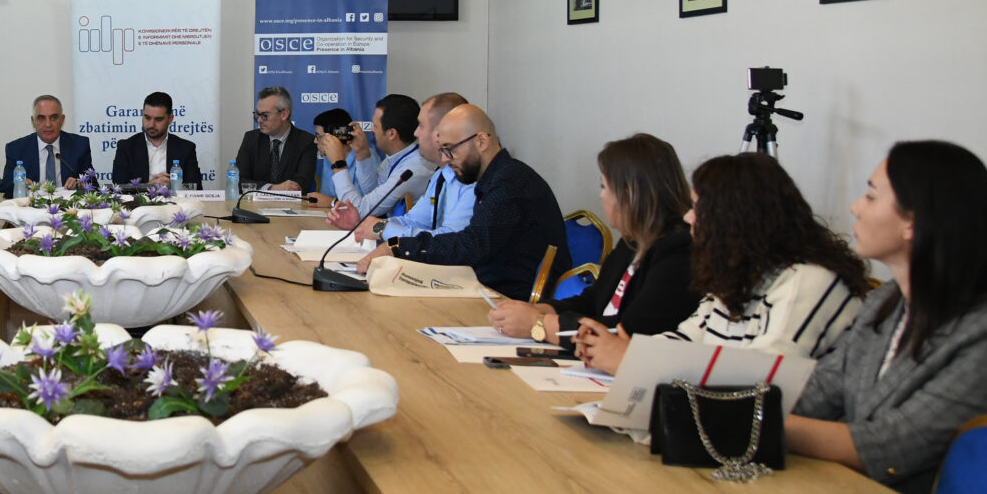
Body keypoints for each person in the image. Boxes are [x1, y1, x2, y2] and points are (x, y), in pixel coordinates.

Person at [786, 142, 987, 494]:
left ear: (913, 221)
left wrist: (754, 422)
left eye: (871, 197)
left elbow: (893, 446)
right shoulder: (884, 303)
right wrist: (724, 400)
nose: (855, 207)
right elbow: (818, 391)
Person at [575, 153, 870, 373]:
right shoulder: (737, 278)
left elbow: (763, 379)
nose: (688, 217)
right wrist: (618, 351)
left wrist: (632, 361)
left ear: (735, 220)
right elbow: (685, 339)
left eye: (698, 208)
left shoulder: (807, 281)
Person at [488, 134, 698, 348]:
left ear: (629, 194)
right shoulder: (633, 241)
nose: (601, 196)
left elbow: (630, 332)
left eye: (604, 186)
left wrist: (540, 324)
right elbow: (592, 301)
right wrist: (538, 310)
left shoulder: (678, 252)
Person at [355, 103, 569, 301]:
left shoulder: (510, 183)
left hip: (508, 301)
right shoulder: (495, 178)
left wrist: (398, 247)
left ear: (481, 142)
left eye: (450, 149)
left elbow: (471, 246)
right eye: (443, 151)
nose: (445, 159)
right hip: (486, 290)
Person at [342, 92, 475, 241]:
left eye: (421, 126)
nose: (416, 133)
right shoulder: (440, 175)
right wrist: (371, 226)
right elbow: (413, 221)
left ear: (442, 133)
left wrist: (338, 165)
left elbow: (447, 240)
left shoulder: (470, 182)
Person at [311, 94, 433, 220]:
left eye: (375, 126)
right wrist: (362, 153)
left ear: (391, 134)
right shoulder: (396, 157)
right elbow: (372, 191)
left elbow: (359, 211)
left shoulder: (412, 169)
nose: (372, 130)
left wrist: (338, 164)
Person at [0, 94, 93, 196]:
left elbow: (93, 185)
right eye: (41, 118)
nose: (48, 124)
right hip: (31, 205)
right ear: (33, 121)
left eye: (53, 118)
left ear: (62, 120)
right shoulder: (16, 149)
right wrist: (19, 184)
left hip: (68, 204)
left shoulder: (79, 145)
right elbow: (4, 188)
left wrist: (79, 184)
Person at [109, 91, 202, 189]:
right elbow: (119, 187)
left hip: (175, 199)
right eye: (147, 118)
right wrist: (148, 187)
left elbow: (196, 188)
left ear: (170, 119)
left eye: (158, 119)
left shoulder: (186, 148)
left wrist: (172, 187)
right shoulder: (126, 147)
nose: (151, 124)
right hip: (139, 200)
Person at [233, 86, 317, 192]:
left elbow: (302, 184)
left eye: (265, 115)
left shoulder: (306, 142)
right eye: (257, 114)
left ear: (284, 114)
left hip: (291, 202)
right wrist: (271, 188)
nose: (259, 120)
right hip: (255, 202)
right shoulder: (251, 139)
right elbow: (238, 180)